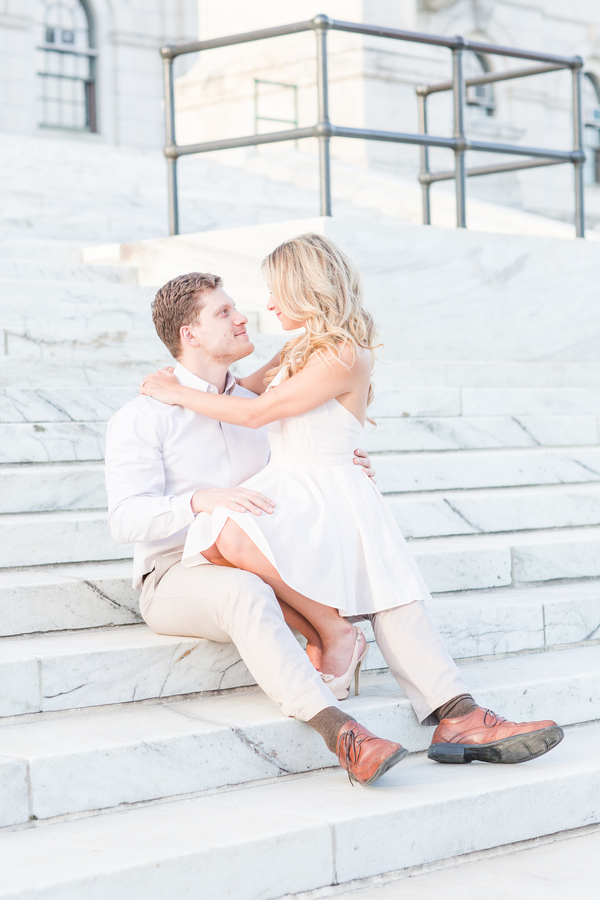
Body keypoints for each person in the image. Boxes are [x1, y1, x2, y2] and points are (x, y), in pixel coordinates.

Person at [105, 244, 561, 789]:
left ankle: (455, 710)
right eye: (225, 312)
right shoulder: (145, 416)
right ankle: (338, 725)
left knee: (375, 568)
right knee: (241, 581)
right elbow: (127, 521)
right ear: (190, 335)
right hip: (176, 569)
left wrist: (341, 456)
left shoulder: (266, 387)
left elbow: (280, 429)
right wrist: (201, 498)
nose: (247, 313)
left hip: (258, 539)